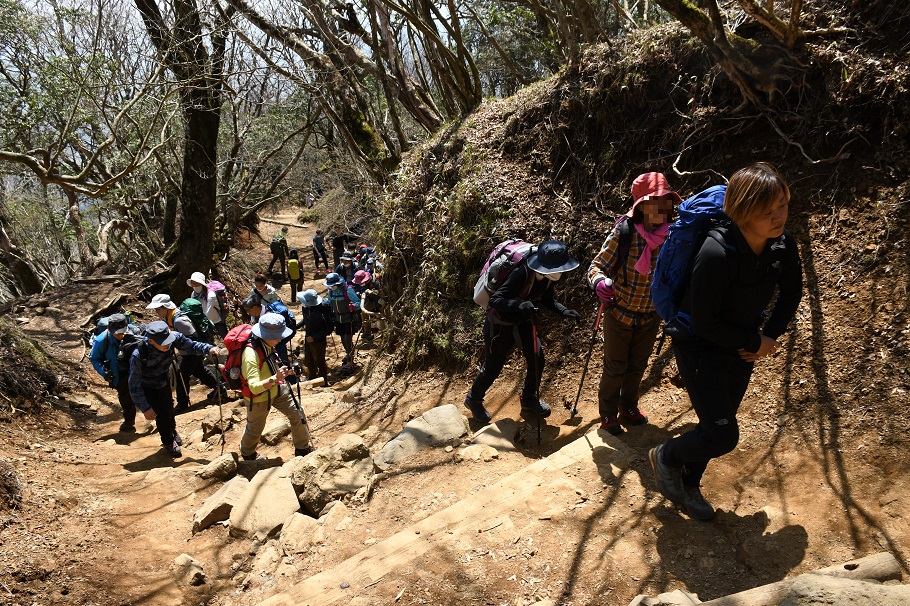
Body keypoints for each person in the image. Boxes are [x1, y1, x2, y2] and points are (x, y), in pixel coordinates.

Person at [649, 163, 803, 521]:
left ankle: (689, 484)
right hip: (699, 346)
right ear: (743, 211)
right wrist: (754, 340)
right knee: (722, 434)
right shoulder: (715, 254)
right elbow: (704, 323)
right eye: (767, 210)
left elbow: (791, 292)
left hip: (741, 346)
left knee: (717, 422)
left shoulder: (782, 245)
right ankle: (665, 456)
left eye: (782, 205)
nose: (778, 216)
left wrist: (768, 337)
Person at [587, 172, 681, 435]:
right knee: (615, 366)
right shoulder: (625, 231)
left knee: (638, 364)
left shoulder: (672, 235)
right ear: (641, 206)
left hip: (651, 316)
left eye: (666, 202)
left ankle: (628, 407)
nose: (663, 208)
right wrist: (599, 283)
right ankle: (607, 413)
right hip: (619, 313)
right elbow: (596, 266)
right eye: (656, 202)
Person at [464, 240, 581, 423]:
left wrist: (564, 311)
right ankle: (473, 399)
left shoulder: (548, 276)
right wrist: (520, 305)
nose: (561, 271)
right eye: (557, 268)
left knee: (537, 359)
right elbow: (496, 300)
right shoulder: (521, 273)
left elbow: (547, 299)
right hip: (500, 323)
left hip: (524, 320)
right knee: (493, 367)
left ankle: (528, 398)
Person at [128, 321, 219, 457]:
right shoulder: (139, 354)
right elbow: (133, 384)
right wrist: (145, 407)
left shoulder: (173, 338)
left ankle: (173, 431)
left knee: (170, 409)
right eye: (163, 342)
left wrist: (208, 348)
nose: (167, 344)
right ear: (151, 341)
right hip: (148, 386)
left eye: (168, 341)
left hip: (164, 380)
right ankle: (168, 441)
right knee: (162, 414)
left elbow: (192, 346)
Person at [239, 313, 315, 461]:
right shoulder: (250, 354)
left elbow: (272, 367)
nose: (280, 339)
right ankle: (248, 453)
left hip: (276, 389)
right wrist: (275, 378)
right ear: (266, 334)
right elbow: (254, 387)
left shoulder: (267, 344)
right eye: (277, 336)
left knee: (298, 412)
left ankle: (302, 448)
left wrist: (290, 373)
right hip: (259, 397)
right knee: (255, 428)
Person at [146, 294, 222, 413]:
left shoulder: (179, 320)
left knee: (181, 375)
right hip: (190, 352)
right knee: (199, 371)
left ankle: (182, 403)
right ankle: (219, 388)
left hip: (193, 351)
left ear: (166, 307)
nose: (157, 312)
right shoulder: (170, 317)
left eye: (158, 309)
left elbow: (192, 339)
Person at [89, 313, 138, 432]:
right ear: (111, 330)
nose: (121, 335)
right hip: (119, 374)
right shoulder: (101, 340)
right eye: (118, 333)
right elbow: (94, 358)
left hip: (136, 368)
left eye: (123, 332)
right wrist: (104, 372)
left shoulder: (133, 332)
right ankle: (129, 421)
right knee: (126, 398)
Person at [241, 294, 296, 365]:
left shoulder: (270, 317)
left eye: (247, 310)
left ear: (255, 307)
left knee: (282, 363)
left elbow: (277, 336)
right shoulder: (254, 316)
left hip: (277, 343)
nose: (247, 312)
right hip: (268, 343)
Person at [324, 273, 360, 374]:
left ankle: (350, 360)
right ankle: (349, 354)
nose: (331, 287)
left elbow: (358, 302)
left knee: (347, 339)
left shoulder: (347, 290)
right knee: (343, 339)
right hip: (338, 318)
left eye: (332, 285)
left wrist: (354, 306)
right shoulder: (331, 292)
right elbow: (329, 303)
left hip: (349, 317)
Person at [297, 289, 334, 385]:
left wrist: (315, 337)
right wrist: (296, 326)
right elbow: (305, 319)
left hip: (319, 340)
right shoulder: (305, 307)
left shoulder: (322, 310)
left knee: (320, 361)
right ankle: (313, 377)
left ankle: (324, 382)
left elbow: (329, 328)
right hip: (308, 336)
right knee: (308, 360)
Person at [188, 271, 228, 338]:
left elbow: (209, 311)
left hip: (217, 320)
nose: (194, 285)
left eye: (196, 283)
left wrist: (201, 322)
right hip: (206, 321)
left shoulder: (210, 295)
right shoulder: (193, 294)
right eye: (193, 283)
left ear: (201, 283)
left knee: (226, 338)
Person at [351, 270, 378, 343]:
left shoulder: (374, 283)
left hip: (377, 302)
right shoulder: (364, 285)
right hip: (368, 302)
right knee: (363, 313)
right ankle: (367, 331)